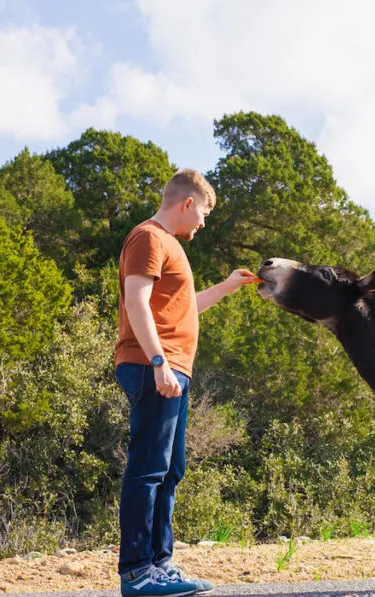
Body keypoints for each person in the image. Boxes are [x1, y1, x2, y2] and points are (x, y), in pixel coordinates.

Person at [114, 168, 256, 596]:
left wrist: (228, 288)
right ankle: (137, 572)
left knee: (170, 469)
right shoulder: (149, 238)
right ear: (187, 203)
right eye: (205, 213)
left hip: (171, 368)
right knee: (148, 469)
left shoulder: (170, 245)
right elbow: (137, 301)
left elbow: (182, 308)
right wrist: (158, 361)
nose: (204, 223)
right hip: (152, 365)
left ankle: (161, 564)